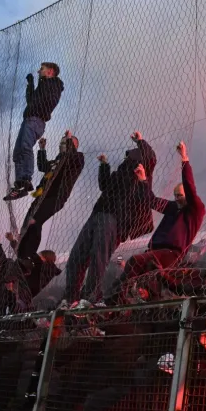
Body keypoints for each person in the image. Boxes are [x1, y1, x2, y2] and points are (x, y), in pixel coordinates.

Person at [62, 131, 157, 307]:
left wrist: (141, 141)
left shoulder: (141, 173)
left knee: (98, 257)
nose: (127, 158)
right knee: (76, 257)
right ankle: (71, 300)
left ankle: (90, 298)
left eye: (131, 156)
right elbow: (104, 185)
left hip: (114, 219)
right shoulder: (120, 173)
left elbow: (151, 156)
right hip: (98, 213)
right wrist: (104, 165)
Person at [107, 142, 206, 304]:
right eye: (175, 195)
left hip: (171, 253)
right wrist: (143, 180)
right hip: (156, 252)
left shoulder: (196, 210)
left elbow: (189, 187)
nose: (177, 198)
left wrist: (184, 159)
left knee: (135, 261)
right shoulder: (173, 207)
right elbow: (151, 201)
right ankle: (126, 304)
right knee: (146, 278)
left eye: (180, 195)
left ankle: (112, 299)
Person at [15, 130, 85, 260]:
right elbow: (43, 166)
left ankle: (28, 256)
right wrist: (42, 149)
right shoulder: (57, 160)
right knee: (28, 222)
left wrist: (69, 139)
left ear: (73, 145)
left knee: (36, 220)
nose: (61, 145)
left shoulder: (78, 158)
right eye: (61, 142)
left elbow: (72, 158)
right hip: (42, 196)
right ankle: (21, 254)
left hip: (56, 196)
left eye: (65, 142)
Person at [5, 62, 64, 200]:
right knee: (18, 151)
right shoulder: (44, 85)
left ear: (50, 71)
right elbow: (31, 100)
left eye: (42, 69)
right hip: (29, 118)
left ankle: (26, 179)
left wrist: (40, 86)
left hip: (36, 119)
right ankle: (20, 184)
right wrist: (30, 85)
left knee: (25, 147)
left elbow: (48, 100)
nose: (39, 71)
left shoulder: (54, 84)